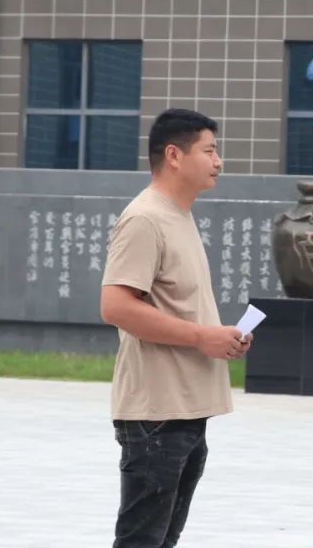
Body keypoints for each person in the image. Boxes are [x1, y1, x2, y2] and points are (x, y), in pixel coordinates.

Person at [100, 108, 252, 548]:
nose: (218, 161)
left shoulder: (178, 216)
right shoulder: (145, 219)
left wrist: (222, 337)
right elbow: (116, 306)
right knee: (142, 540)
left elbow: (177, 308)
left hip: (185, 410)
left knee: (162, 540)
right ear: (174, 155)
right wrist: (203, 337)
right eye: (209, 151)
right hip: (157, 414)